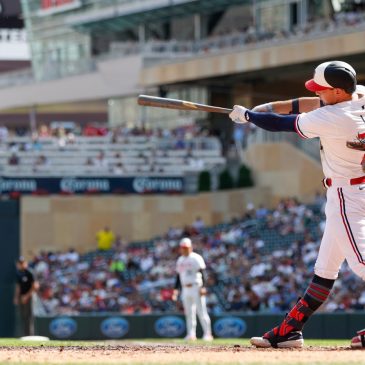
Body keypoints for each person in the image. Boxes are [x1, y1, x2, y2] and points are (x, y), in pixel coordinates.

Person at [229, 60, 365, 349]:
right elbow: (306, 102)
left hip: (349, 195)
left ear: (339, 91)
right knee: (325, 269)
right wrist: (266, 108)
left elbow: (284, 125)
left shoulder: (335, 116)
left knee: (361, 264)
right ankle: (291, 329)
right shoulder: (359, 96)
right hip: (356, 186)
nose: (319, 94)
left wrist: (251, 117)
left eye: (324, 90)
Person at [172, 237, 213, 341]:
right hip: (185, 288)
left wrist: (203, 287)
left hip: (196, 287)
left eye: (186, 247)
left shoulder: (196, 257)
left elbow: (203, 273)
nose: (185, 249)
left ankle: (207, 334)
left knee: (201, 311)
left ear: (190, 247)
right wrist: (176, 290)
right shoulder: (180, 260)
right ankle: (191, 334)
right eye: (183, 248)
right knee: (189, 312)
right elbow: (178, 276)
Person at [14, 257, 38, 337]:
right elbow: (18, 287)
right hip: (22, 297)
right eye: (19, 263)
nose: (20, 265)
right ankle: (23, 335)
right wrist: (16, 297)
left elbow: (35, 286)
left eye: (22, 263)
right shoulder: (19, 273)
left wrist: (26, 296)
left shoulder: (30, 272)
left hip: (29, 296)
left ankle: (30, 335)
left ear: (25, 263)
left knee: (29, 316)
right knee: (23, 316)